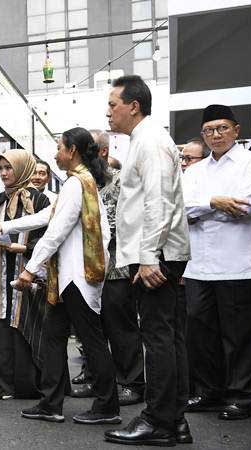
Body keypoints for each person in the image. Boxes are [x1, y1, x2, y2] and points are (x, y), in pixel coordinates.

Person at [0, 127, 119, 425]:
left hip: (77, 278)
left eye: (59, 148)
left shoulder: (76, 183)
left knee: (91, 341)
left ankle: (107, 406)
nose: (55, 154)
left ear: (73, 152)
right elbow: (47, 217)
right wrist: (2, 227)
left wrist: (29, 270)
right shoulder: (78, 182)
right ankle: (51, 403)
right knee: (53, 339)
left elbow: (55, 232)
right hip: (69, 278)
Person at [102, 75, 192, 447]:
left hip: (157, 256)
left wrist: (149, 257)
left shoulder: (151, 141)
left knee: (158, 340)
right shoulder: (145, 140)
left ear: (133, 106)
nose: (108, 112)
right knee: (167, 340)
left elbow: (158, 203)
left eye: (113, 105)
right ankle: (175, 421)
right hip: (157, 253)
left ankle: (158, 421)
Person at [183, 104, 251, 420]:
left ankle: (241, 398)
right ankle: (209, 392)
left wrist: (201, 209)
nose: (215, 135)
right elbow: (181, 212)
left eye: (222, 128)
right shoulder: (195, 171)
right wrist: (216, 202)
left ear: (236, 130)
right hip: (199, 265)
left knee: (240, 337)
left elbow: (243, 207)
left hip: (240, 264)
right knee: (201, 336)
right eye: (209, 130)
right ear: (203, 135)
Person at [0, 149, 50, 400]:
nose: (4, 173)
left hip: (27, 271)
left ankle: (27, 385)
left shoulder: (40, 201)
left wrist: (24, 248)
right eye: (1, 169)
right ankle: (1, 385)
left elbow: (49, 238)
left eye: (9, 168)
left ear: (22, 169)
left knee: (26, 322)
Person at [90, 129, 145, 406]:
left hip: (119, 268)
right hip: (91, 270)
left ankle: (132, 384)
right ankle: (102, 381)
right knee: (95, 329)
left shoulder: (121, 182)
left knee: (121, 329)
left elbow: (131, 223)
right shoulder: (84, 184)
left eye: (87, 152)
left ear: (102, 152)